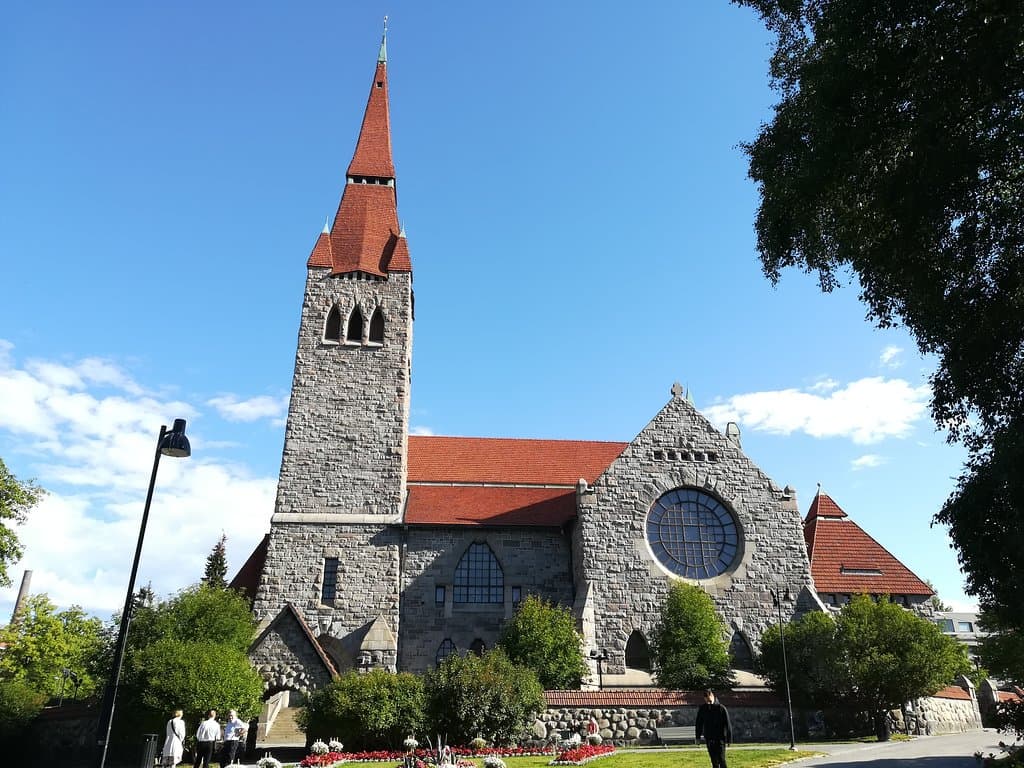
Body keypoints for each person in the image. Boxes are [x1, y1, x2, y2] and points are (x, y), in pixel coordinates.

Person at [695, 689, 731, 768]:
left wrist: (729, 739)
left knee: (721, 759)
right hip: (709, 738)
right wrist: (698, 737)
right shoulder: (703, 709)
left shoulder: (721, 708)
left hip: (720, 738)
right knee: (713, 760)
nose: (709, 702)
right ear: (704, 699)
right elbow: (699, 724)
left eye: (710, 700)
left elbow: (728, 724)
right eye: (707, 700)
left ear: (713, 696)